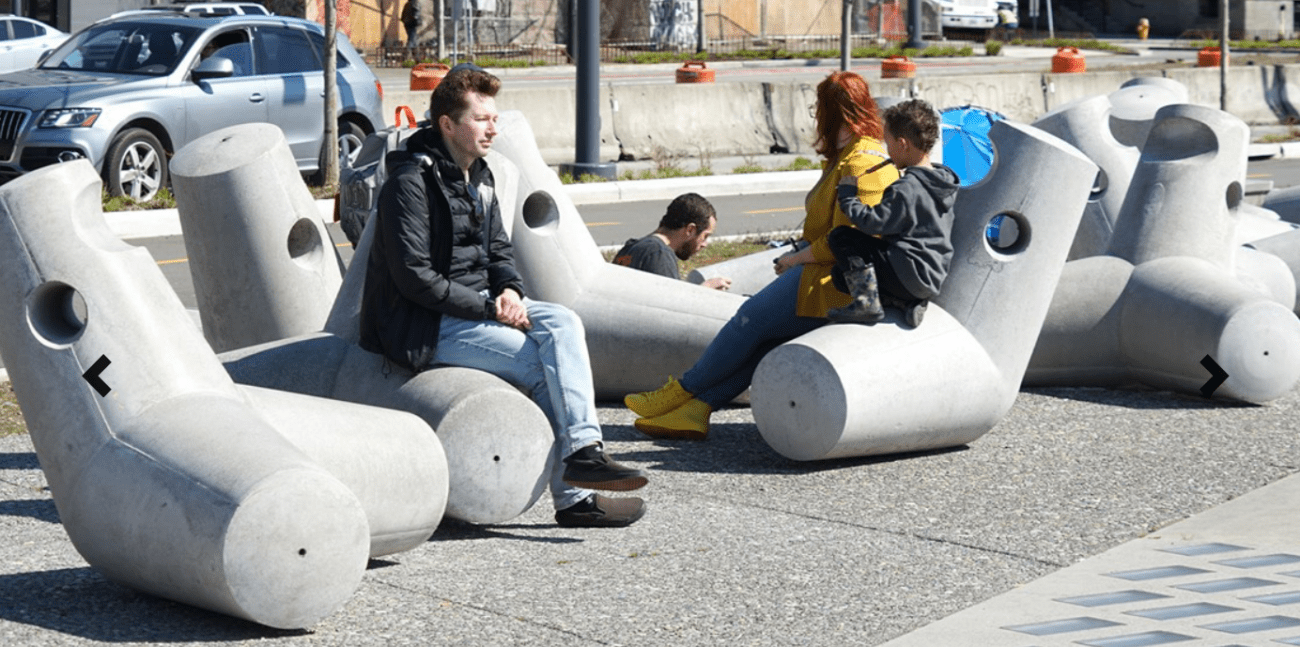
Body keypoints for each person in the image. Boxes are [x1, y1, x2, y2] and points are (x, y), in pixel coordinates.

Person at [359, 63, 649, 528]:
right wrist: (490, 307)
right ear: (448, 124)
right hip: (424, 324)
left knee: (563, 323)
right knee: (540, 367)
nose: (493, 128)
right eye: (481, 119)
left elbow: (498, 251)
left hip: (480, 309)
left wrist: (511, 290)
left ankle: (586, 451)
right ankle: (573, 497)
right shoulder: (409, 184)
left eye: (495, 118)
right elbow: (414, 277)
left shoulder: (482, 176)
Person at [624, 71, 900, 441]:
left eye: (819, 108)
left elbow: (852, 239)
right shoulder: (849, 156)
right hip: (822, 274)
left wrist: (795, 260)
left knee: (747, 322)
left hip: (830, 284)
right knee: (765, 340)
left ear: (833, 112)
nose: (815, 116)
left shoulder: (862, 161)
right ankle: (695, 411)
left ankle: (683, 392)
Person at [825, 99, 959, 327]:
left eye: (888, 144)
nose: (887, 151)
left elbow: (872, 223)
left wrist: (849, 197)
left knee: (841, 238)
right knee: (841, 276)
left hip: (909, 271)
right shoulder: (943, 180)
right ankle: (904, 302)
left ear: (903, 144)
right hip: (930, 276)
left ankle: (867, 306)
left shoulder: (908, 187)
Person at [612, 192, 732, 290]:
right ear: (690, 230)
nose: (705, 244)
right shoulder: (659, 255)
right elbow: (672, 308)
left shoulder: (630, 248)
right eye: (704, 236)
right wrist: (705, 289)